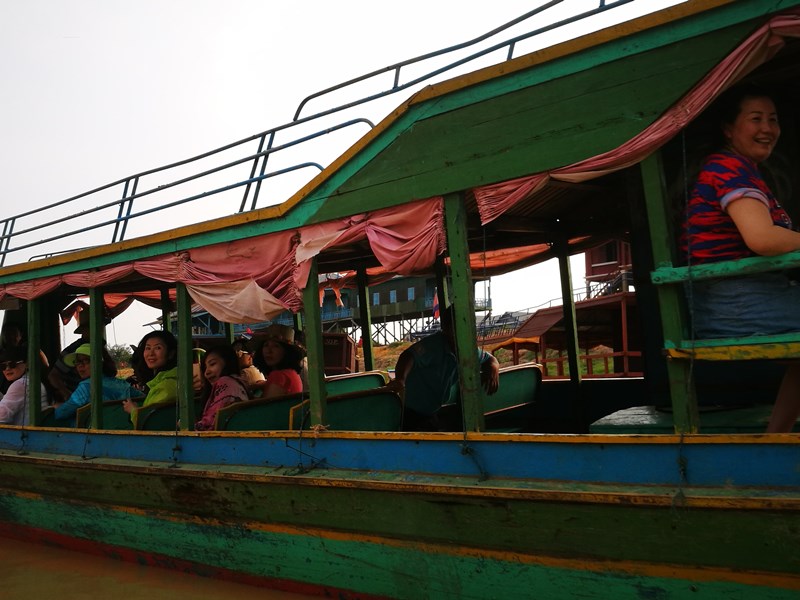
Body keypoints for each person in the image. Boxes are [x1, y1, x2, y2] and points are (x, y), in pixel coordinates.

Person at [683, 84, 800, 432]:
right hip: (733, 302)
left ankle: (775, 437)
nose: (767, 128)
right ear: (729, 128)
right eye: (756, 119)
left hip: (739, 298)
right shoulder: (727, 168)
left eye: (773, 119)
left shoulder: (742, 170)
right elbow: (762, 238)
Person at [387, 305, 500, 431]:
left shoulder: (466, 348)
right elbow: (407, 356)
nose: (462, 330)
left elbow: (489, 358)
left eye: (467, 324)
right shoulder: (433, 345)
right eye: (456, 326)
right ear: (445, 328)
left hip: (431, 411)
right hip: (408, 411)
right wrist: (400, 379)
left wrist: (493, 366)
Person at [52, 343, 142, 422]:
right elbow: (144, 401)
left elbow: (60, 414)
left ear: (99, 363)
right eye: (78, 362)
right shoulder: (123, 384)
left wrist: (57, 407)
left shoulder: (86, 387)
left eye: (85, 361)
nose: (80, 366)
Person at [122, 330, 178, 425]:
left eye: (158, 348)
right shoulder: (159, 382)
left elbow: (151, 423)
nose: (151, 353)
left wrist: (133, 410)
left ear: (171, 354)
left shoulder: (165, 386)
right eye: (147, 348)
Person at [195, 344, 249, 431]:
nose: (206, 372)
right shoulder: (237, 383)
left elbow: (208, 426)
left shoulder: (225, 383)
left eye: (212, 364)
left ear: (227, 362)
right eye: (205, 368)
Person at [48, 311, 93, 403]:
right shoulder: (72, 350)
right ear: (84, 330)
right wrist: (69, 396)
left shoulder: (100, 347)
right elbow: (53, 376)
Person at [250, 324, 305, 398]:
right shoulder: (292, 373)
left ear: (287, 352)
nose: (268, 351)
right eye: (266, 345)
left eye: (276, 346)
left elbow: (267, 407)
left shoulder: (278, 375)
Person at [0, 345, 50, 425]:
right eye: (2, 366)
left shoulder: (21, 384)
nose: (7, 369)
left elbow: (2, 417)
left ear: (27, 364)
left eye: (12, 364)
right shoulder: (33, 380)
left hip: (21, 435)